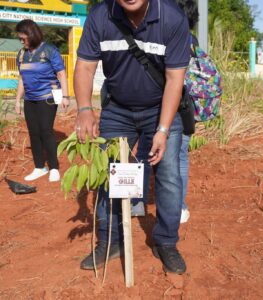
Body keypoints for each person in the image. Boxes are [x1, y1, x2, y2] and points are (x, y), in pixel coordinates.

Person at [74, 0, 190, 274]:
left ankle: (166, 242)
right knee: (110, 174)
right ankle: (111, 240)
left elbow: (175, 79)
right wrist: (84, 109)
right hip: (117, 109)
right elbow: (85, 66)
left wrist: (162, 130)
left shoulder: (172, 18)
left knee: (169, 175)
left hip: (160, 109)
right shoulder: (101, 16)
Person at [132, 0, 199, 223]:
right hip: (182, 107)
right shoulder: (192, 41)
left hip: (156, 106)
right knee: (179, 158)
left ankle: (136, 202)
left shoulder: (159, 32)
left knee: (142, 152)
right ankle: (178, 207)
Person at [15, 19, 70, 182]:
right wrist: (18, 100)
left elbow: (61, 73)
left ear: (31, 35)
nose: (21, 41)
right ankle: (40, 167)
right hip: (29, 99)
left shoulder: (50, 50)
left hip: (48, 97)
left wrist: (66, 96)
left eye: (23, 38)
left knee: (45, 130)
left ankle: (54, 167)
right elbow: (21, 78)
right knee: (33, 132)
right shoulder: (22, 54)